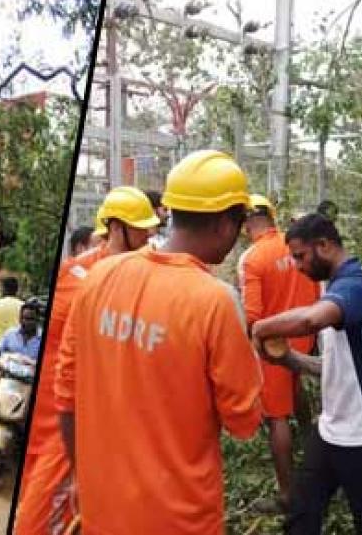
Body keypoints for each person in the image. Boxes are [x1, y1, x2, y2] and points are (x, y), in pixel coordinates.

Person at [54, 150, 265, 534]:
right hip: (178, 520)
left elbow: (66, 396)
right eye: (239, 222)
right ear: (223, 223)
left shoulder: (100, 277)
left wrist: (79, 476)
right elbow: (244, 422)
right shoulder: (214, 301)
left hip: (102, 509)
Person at [12, 186, 160, 534]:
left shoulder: (91, 271)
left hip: (83, 414)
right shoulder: (87, 277)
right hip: (68, 417)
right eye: (143, 226)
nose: (151, 232)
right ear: (119, 227)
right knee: (41, 512)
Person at [251, 213, 362, 534]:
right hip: (333, 429)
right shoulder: (341, 285)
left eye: (300, 256)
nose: (297, 266)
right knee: (301, 511)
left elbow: (311, 320)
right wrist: (290, 360)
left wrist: (261, 327)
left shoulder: (355, 285)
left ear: (323, 245)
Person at [236, 194, 320, 512]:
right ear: (272, 217)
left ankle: (287, 494)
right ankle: (314, 450)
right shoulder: (295, 245)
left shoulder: (252, 258)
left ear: (246, 225)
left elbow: (253, 315)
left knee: (276, 416)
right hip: (304, 332)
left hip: (273, 345)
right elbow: (315, 289)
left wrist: (249, 346)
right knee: (295, 389)